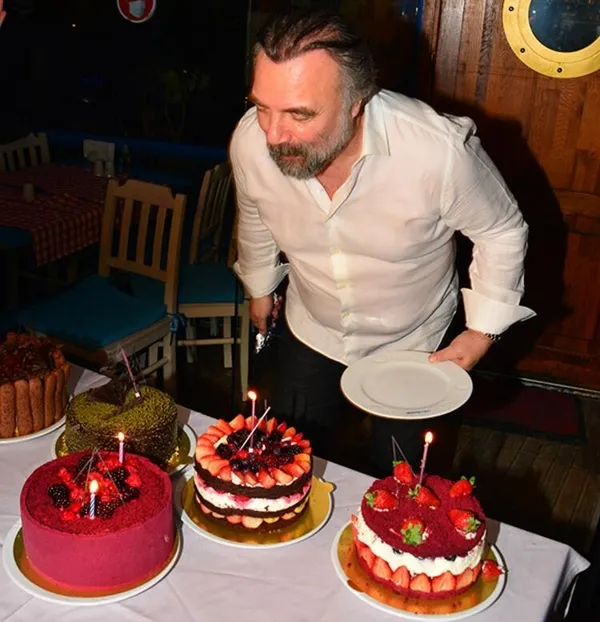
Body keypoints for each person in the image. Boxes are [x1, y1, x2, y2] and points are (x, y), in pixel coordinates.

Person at [230, 9, 535, 474]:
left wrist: (481, 332)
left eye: (299, 113)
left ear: (358, 100)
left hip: (414, 342)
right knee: (288, 464)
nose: (272, 134)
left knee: (399, 481)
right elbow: (255, 212)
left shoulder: (438, 152)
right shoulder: (250, 141)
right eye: (261, 106)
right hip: (311, 327)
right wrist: (260, 286)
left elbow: (502, 229)